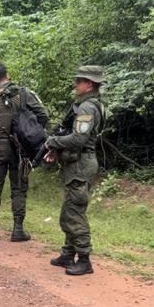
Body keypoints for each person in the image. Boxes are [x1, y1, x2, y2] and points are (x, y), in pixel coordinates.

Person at [45, 66, 105, 276]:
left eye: (79, 80)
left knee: (73, 213)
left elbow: (78, 139)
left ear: (89, 84)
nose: (75, 84)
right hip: (78, 164)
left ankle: (84, 259)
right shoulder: (86, 105)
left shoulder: (87, 108)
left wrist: (53, 141)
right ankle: (68, 254)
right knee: (70, 208)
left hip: (81, 164)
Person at [0, 63, 50, 240]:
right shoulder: (25, 94)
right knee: (19, 188)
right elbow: (43, 116)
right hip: (21, 149)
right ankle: (18, 229)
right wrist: (29, 133)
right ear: (7, 75)